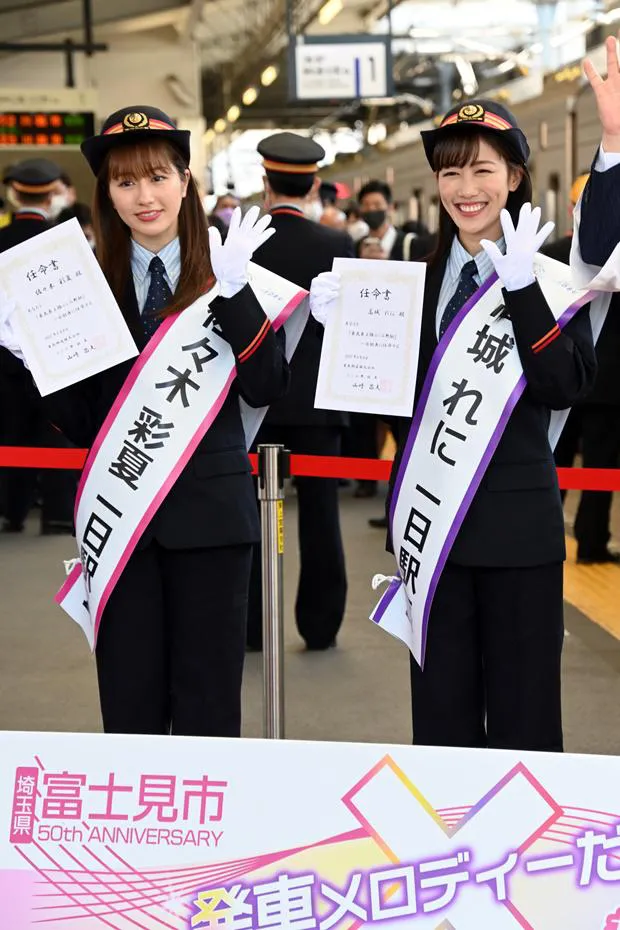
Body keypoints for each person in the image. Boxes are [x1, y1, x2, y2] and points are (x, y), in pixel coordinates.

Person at [311, 99, 596, 751]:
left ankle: (524, 854)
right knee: (442, 719)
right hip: (433, 531)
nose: (466, 191)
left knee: (526, 718)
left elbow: (565, 386)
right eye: (450, 174)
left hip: (520, 535)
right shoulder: (415, 282)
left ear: (517, 177)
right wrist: (338, 334)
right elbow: (380, 403)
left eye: (483, 171)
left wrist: (521, 290)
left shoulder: (553, 278)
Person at [0, 106, 289, 737]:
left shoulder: (228, 269)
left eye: (157, 177)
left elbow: (269, 386)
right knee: (128, 706)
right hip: (121, 520)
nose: (144, 196)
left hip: (212, 522)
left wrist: (237, 298)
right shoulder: (84, 283)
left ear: (186, 180)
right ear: (106, 192)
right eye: (125, 182)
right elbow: (83, 423)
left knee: (210, 705)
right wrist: (34, 360)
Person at [249, 131, 354, 651]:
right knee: (319, 517)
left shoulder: (240, 243)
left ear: (265, 182)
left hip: (252, 406)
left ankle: (248, 625)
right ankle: (319, 625)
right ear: (313, 185)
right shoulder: (335, 244)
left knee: (250, 514)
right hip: (318, 404)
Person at [544, 173, 620, 563]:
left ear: (573, 209)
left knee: (551, 464)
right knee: (600, 469)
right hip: (608, 387)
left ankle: (539, 541)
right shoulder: (617, 260)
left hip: (561, 378)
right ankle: (592, 545)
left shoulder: (551, 253)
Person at [0, 158, 76, 535]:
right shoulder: (64, 244)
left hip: (2, 362)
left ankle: (11, 513)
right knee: (55, 432)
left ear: (13, 194)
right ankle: (59, 515)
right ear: (52, 196)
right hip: (52, 355)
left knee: (9, 435)